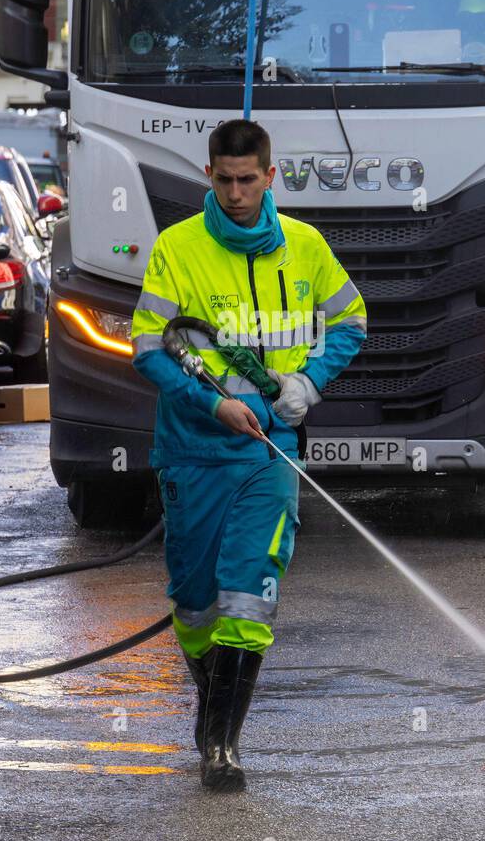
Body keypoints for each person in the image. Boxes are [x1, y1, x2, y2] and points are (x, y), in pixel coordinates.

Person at [132, 118, 367, 793]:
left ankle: (221, 744)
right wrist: (212, 404)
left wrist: (307, 382)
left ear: (271, 176)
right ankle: (212, 708)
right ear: (209, 176)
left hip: (269, 455)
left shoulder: (306, 247)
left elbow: (351, 321)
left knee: (249, 590)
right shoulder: (177, 249)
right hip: (192, 453)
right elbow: (149, 350)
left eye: (248, 180)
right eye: (224, 180)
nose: (236, 193)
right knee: (196, 602)